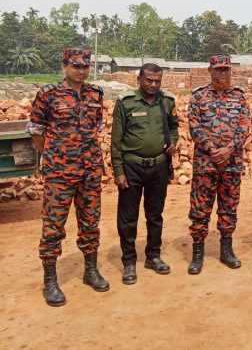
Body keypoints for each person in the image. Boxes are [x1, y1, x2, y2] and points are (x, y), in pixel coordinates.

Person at [27, 48, 110, 307]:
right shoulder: (48, 94)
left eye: (85, 66)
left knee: (90, 223)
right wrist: (55, 155)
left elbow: (97, 127)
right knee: (53, 226)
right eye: (76, 66)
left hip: (90, 172)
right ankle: (50, 281)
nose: (81, 71)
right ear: (64, 66)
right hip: (60, 173)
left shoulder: (96, 93)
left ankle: (90, 271)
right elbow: (37, 130)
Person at [111, 63, 179, 285]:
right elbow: (116, 140)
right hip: (132, 167)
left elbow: (173, 127)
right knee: (128, 218)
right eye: (149, 80)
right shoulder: (126, 103)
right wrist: (118, 170)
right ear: (139, 78)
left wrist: (173, 143)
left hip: (159, 166)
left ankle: (153, 256)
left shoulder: (167, 101)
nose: (153, 84)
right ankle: (129, 261)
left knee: (155, 215)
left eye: (157, 81)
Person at [187, 55, 250, 274]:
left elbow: (244, 127)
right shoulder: (198, 97)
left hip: (231, 165)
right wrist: (213, 150)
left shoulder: (239, 97)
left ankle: (226, 249)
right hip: (206, 164)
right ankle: (197, 253)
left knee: (228, 208)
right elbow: (194, 127)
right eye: (218, 69)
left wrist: (230, 149)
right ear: (210, 70)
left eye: (226, 69)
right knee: (200, 210)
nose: (223, 72)